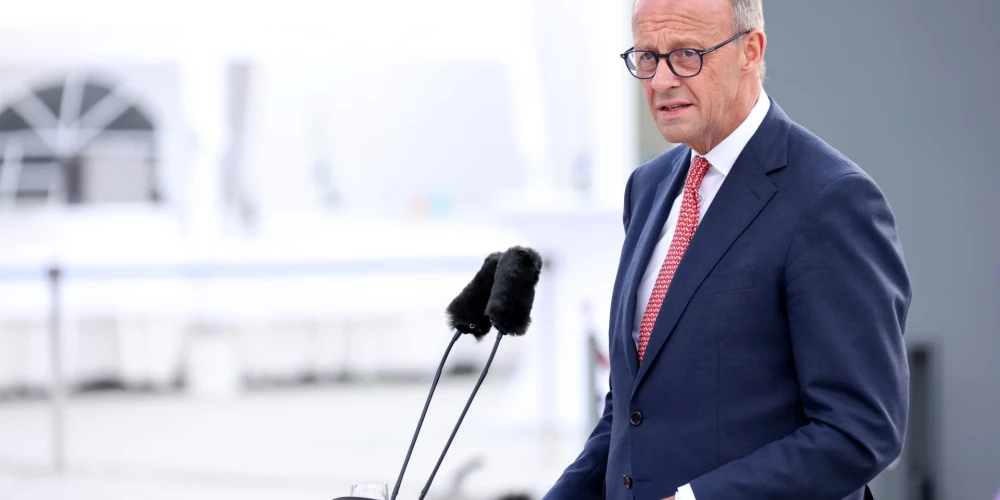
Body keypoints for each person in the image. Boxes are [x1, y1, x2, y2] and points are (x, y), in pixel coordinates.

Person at [542, 0, 911, 499]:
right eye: (647, 56)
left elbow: (860, 430)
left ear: (750, 50)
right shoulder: (648, 188)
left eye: (687, 54)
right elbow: (633, 408)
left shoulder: (832, 198)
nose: (661, 80)